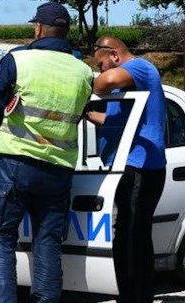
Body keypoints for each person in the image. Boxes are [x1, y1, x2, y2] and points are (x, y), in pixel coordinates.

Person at [0, 2, 93, 302]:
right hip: (59, 171)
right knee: (48, 243)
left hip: (16, 165)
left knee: (0, 237)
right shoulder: (83, 72)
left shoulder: (18, 61)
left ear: (38, 28)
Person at [86, 36, 167, 303]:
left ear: (115, 55)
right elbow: (113, 121)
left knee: (129, 240)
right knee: (135, 237)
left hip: (140, 166)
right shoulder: (130, 91)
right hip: (131, 166)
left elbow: (106, 82)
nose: (100, 71)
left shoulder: (140, 68)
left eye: (100, 64)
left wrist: (86, 85)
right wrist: (86, 113)